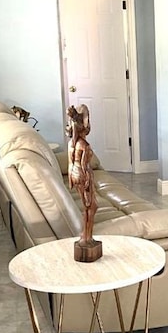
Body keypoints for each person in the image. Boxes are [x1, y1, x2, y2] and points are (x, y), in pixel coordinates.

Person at [66, 104, 98, 245]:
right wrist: (88, 179)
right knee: (92, 206)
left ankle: (84, 234)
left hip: (73, 173)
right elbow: (85, 166)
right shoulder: (84, 145)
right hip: (82, 174)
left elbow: (70, 163)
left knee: (86, 206)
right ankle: (87, 236)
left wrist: (71, 179)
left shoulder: (71, 144)